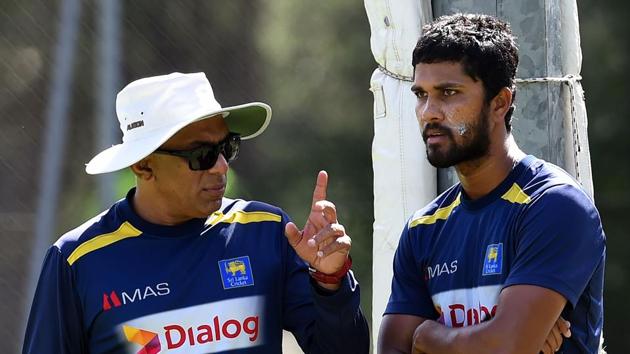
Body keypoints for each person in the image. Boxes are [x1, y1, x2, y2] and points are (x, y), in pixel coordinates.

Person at [23, 72, 369, 354]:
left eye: (226, 148)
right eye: (201, 154)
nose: (221, 167)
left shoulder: (266, 231)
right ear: (144, 165)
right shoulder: (77, 260)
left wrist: (330, 281)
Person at [377, 14, 605, 354]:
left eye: (449, 93)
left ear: (500, 102)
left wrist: (426, 336)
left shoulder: (554, 205)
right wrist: (492, 334)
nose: (429, 112)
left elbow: (506, 347)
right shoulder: (423, 227)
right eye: (421, 95)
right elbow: (393, 350)